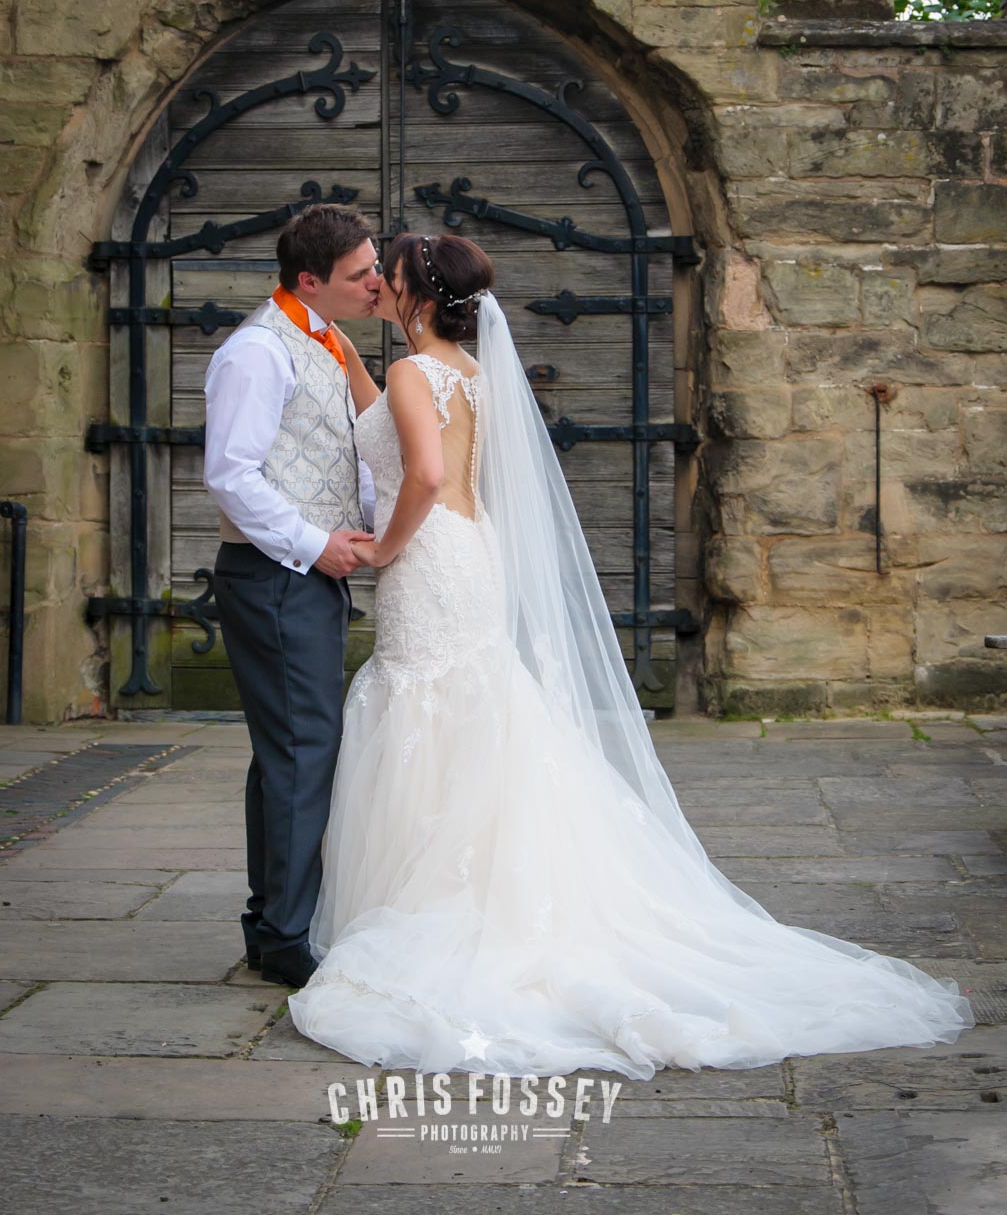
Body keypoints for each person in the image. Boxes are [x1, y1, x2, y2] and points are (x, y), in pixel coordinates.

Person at [287, 230, 975, 1078]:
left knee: (428, 704)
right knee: (475, 707)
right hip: (471, 551)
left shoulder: (410, 373)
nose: (380, 288)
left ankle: (442, 899)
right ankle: (479, 879)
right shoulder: (469, 373)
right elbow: (404, 436)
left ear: (417, 295)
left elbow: (420, 475)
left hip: (427, 556)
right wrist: (343, 350)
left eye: (388, 279)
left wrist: (385, 549)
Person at [202, 203, 380, 991]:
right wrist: (317, 544)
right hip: (275, 579)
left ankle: (272, 922)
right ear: (309, 280)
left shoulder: (329, 341)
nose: (376, 283)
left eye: (374, 267)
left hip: (303, 578)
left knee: (288, 754)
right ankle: (282, 936)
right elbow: (231, 475)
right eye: (360, 274)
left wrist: (381, 532)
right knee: (304, 752)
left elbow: (344, 456)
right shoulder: (255, 352)